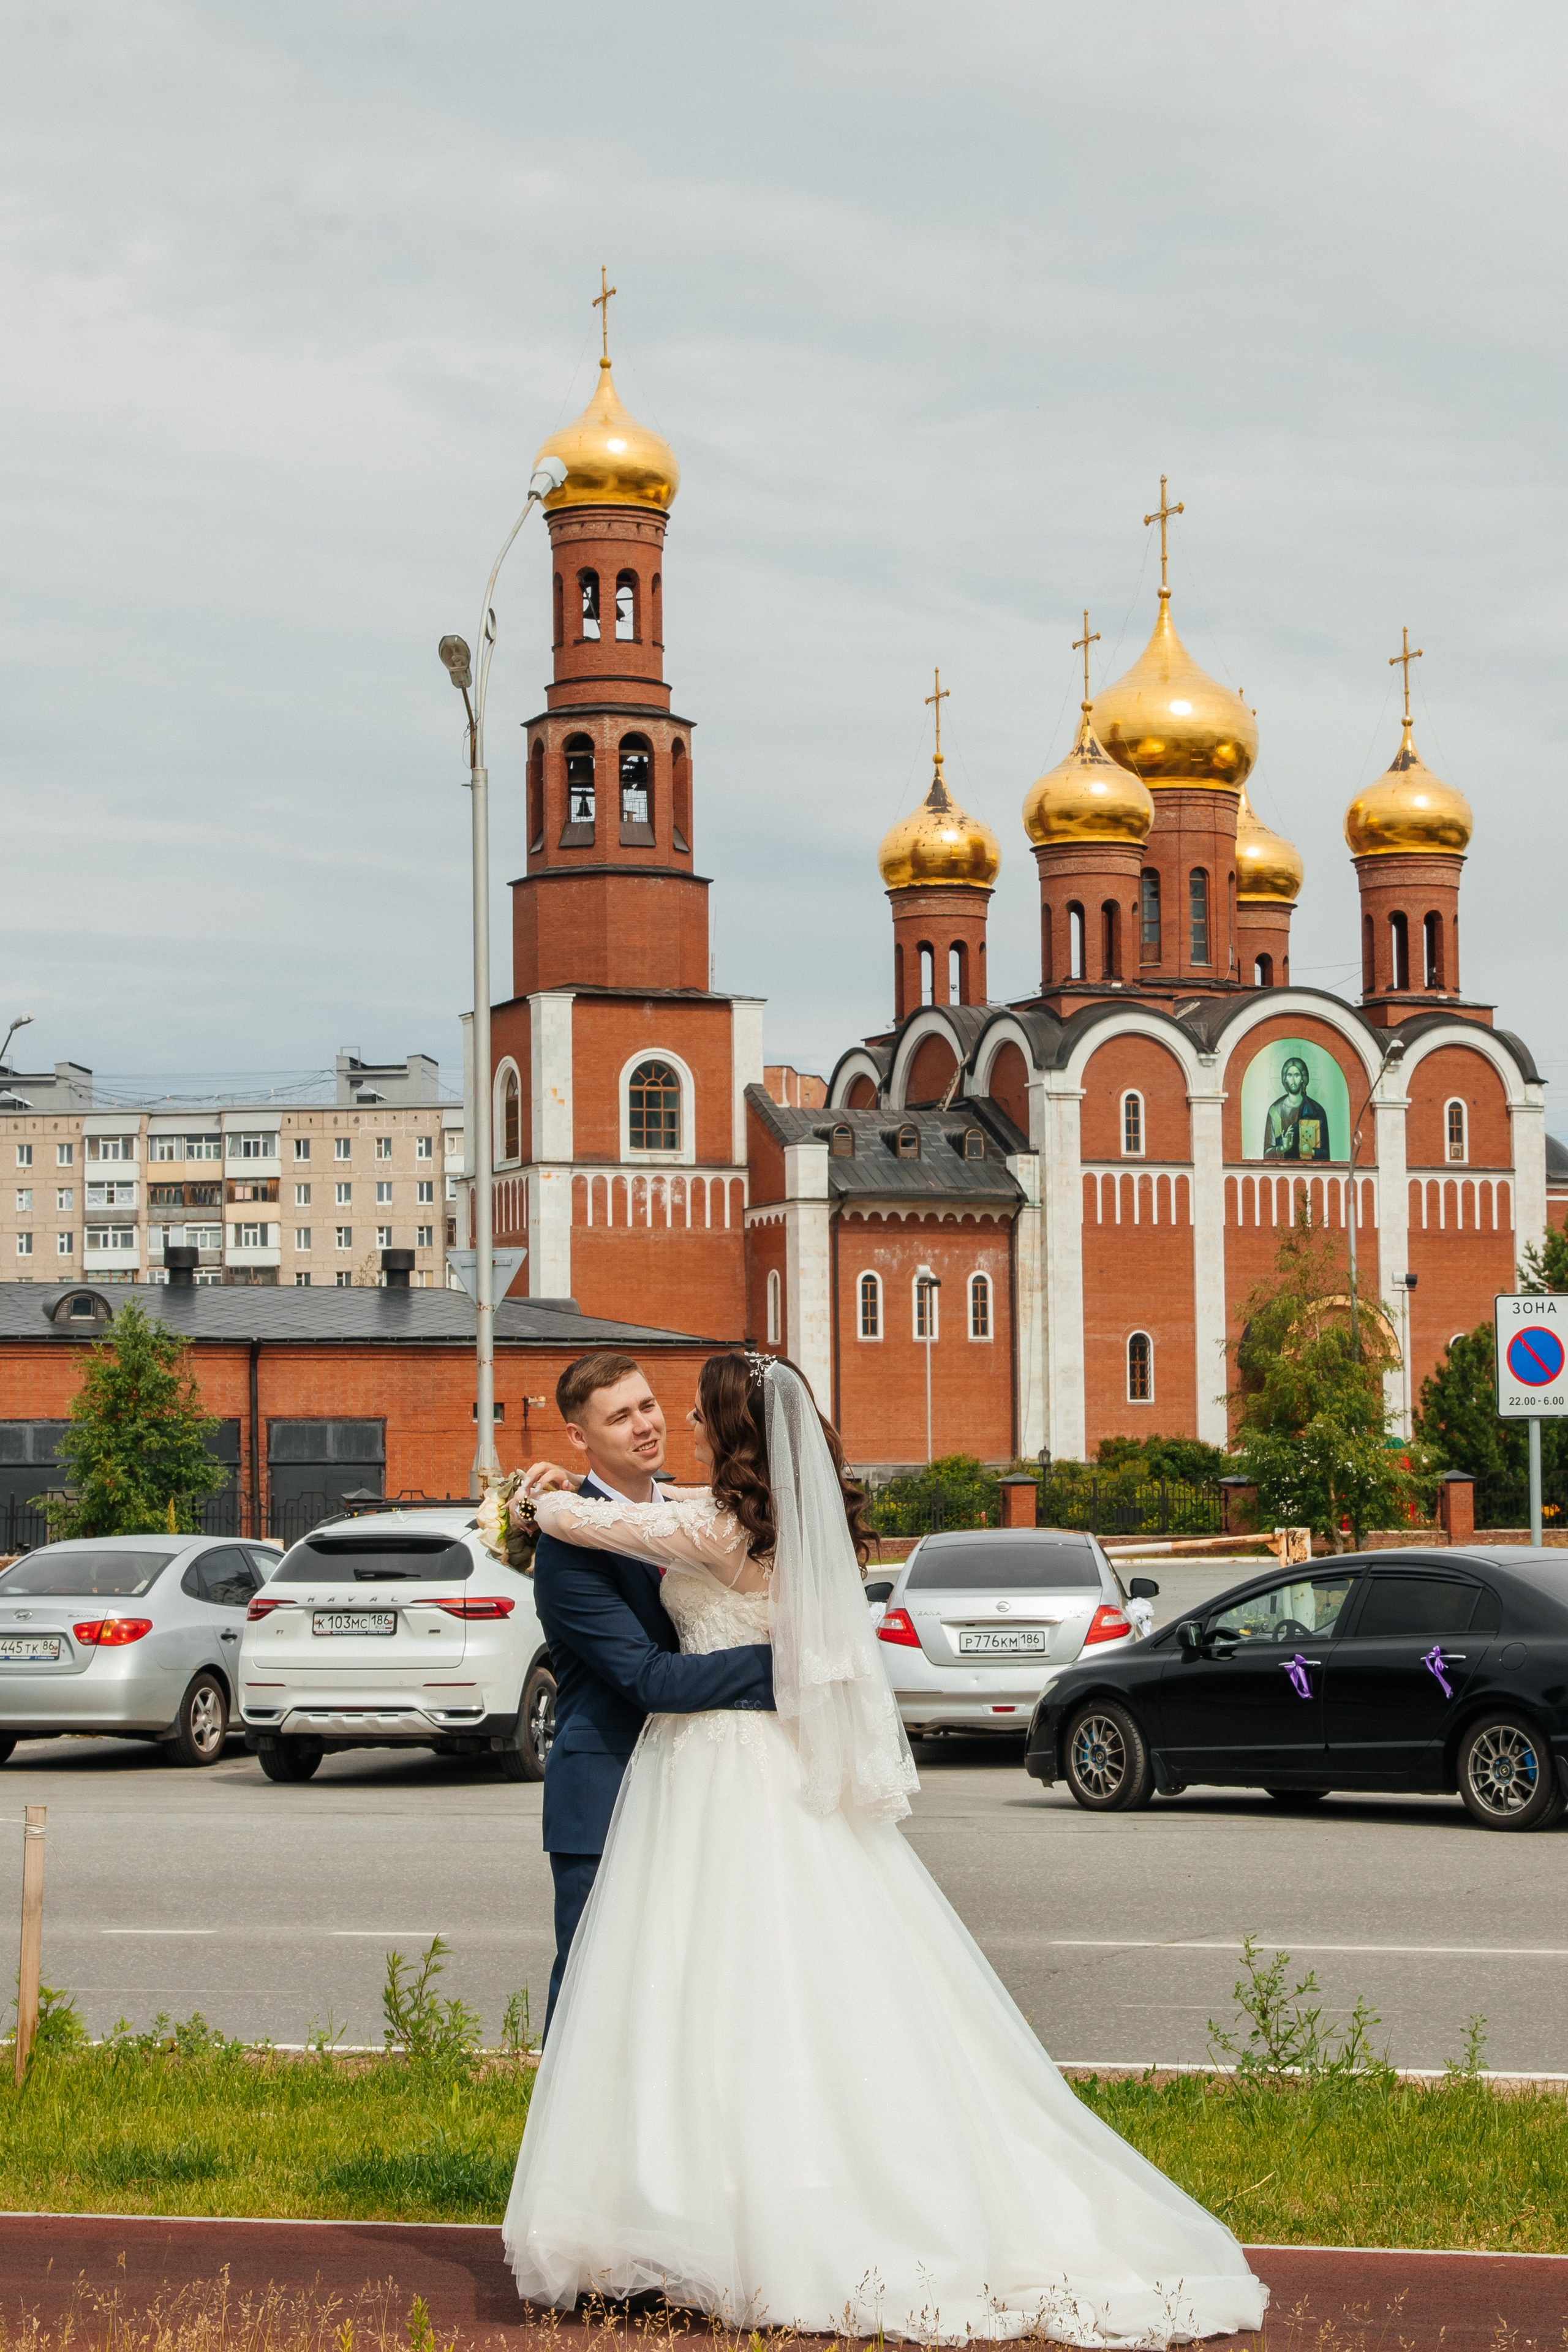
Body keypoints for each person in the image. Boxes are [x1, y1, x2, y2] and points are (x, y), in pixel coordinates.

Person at [502, 1352, 1267, 2344]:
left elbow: (614, 1562)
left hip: (721, 1773)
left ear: (729, 1437)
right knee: (718, 1995)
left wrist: (535, 1502)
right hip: (701, 1777)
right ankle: (688, 2203)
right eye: (635, 1413)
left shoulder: (702, 1520)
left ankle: (726, 2211)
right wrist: (802, 1653)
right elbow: (631, 1595)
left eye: (674, 1411)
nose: (663, 1426)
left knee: (729, 1992)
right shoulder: (762, 1516)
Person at [526, 1349, 775, 2035]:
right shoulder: (568, 1541)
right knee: (594, 1987)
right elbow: (642, 1676)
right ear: (579, 1437)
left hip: (705, 1787)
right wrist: (783, 1668)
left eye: (647, 1406)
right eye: (619, 1417)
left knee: (685, 1983)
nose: (644, 1426)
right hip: (606, 1786)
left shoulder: (696, 1512)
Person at [1263, 1053, 1330, 1160]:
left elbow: (1326, 1154)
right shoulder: (1275, 1111)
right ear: (1285, 1079)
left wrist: (1311, 1151)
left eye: (1297, 1075)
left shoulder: (1316, 1111)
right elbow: (1267, 1153)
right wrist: (1283, 1148)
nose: (1293, 1080)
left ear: (1303, 1078)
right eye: (1290, 1075)